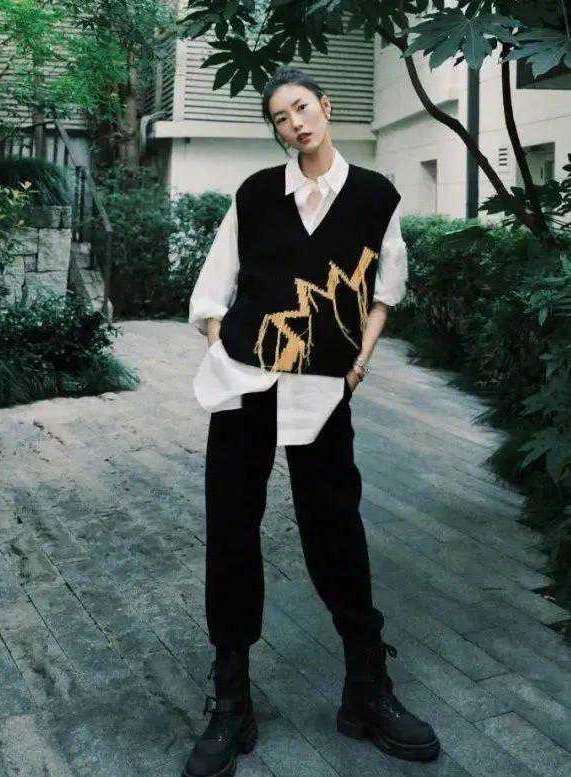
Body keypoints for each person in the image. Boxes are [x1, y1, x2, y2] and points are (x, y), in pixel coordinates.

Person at [183, 67, 440, 777]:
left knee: (336, 528)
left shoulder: (375, 196)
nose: (294, 123)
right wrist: (225, 352)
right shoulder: (256, 194)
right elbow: (214, 287)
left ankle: (366, 689)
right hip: (246, 385)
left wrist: (358, 365)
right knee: (231, 529)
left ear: (325, 107)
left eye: (301, 107)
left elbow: (383, 292)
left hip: (324, 390)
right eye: (279, 117)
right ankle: (231, 698)